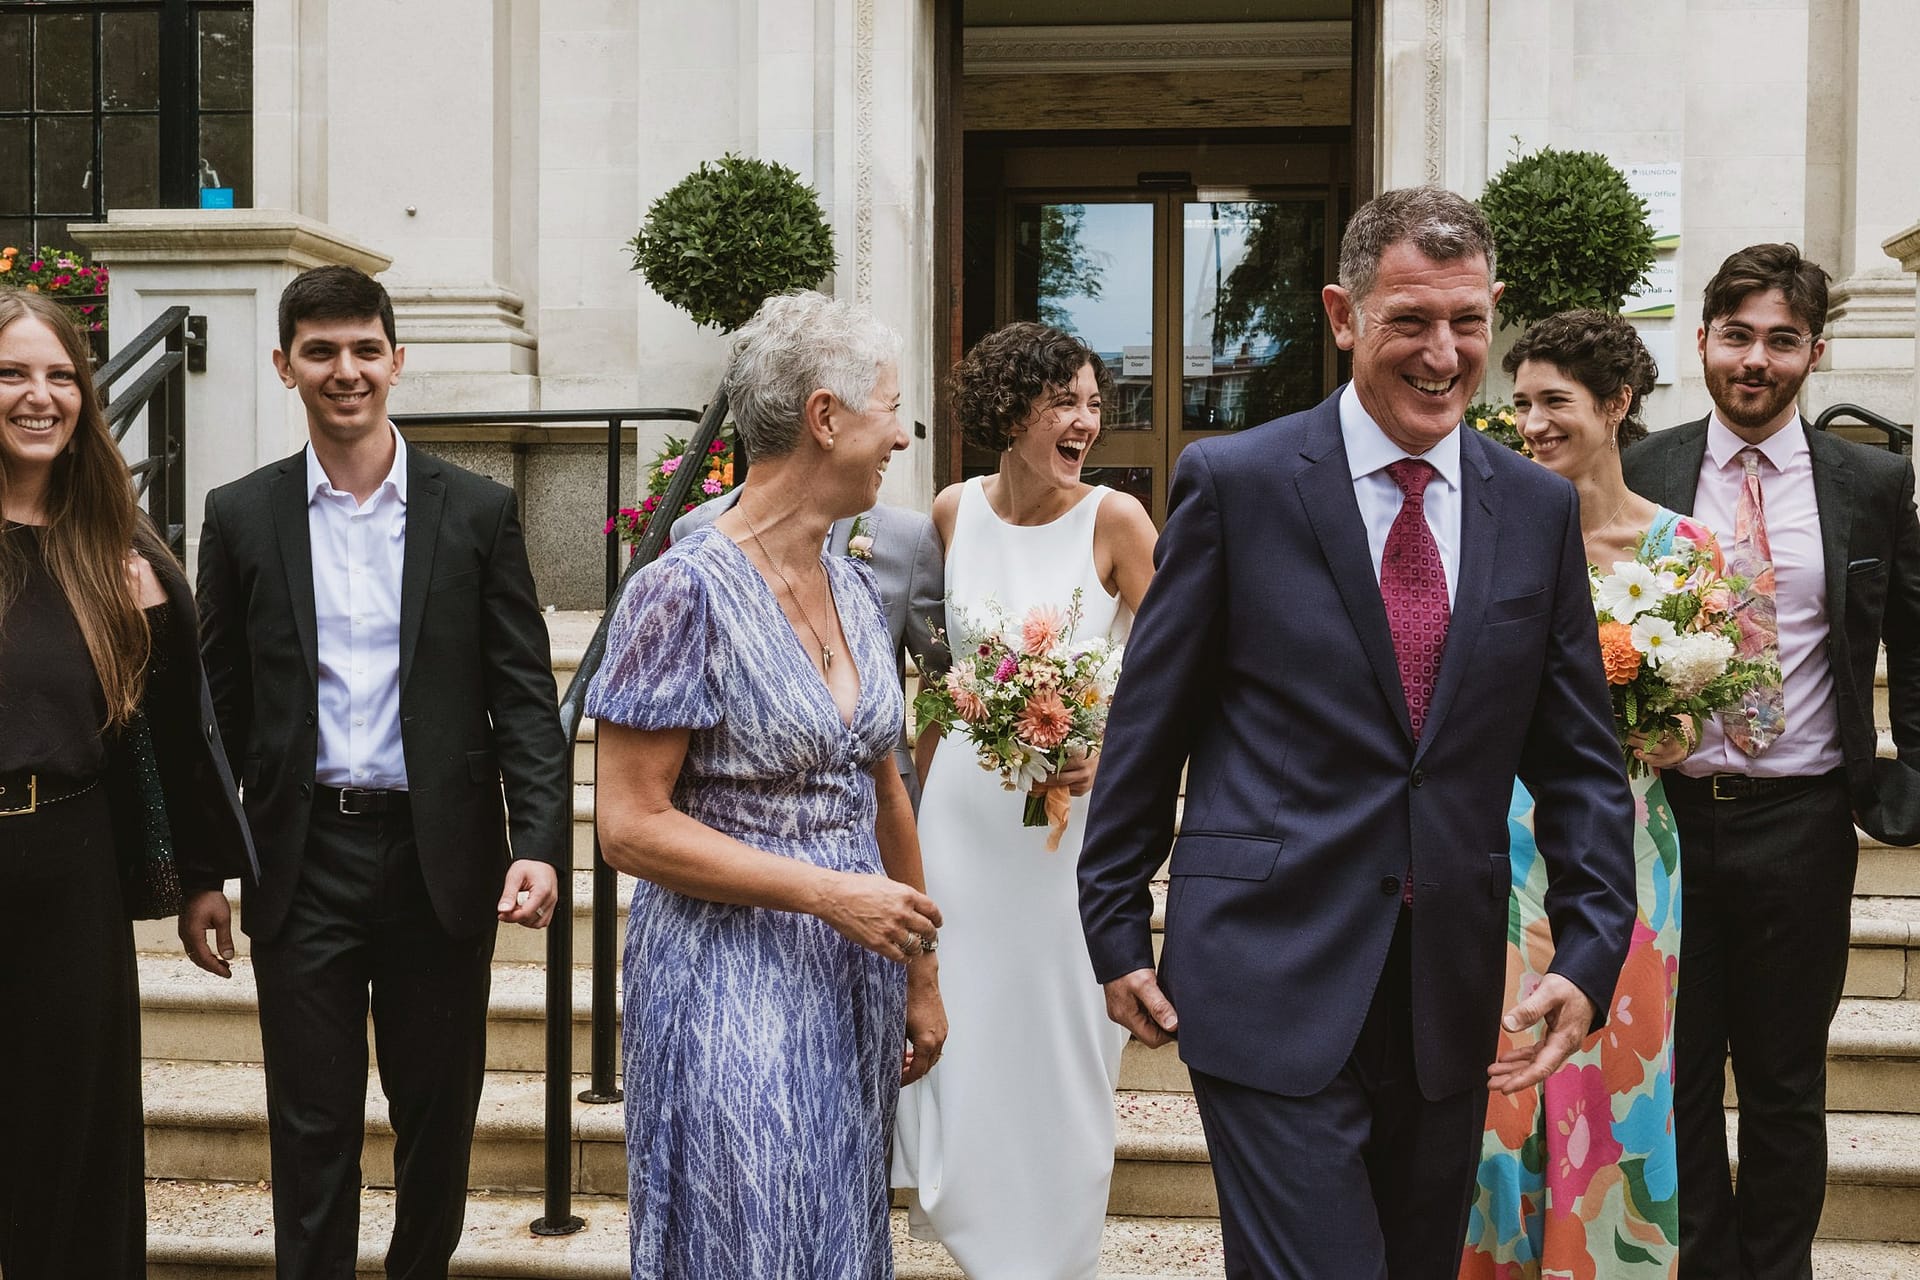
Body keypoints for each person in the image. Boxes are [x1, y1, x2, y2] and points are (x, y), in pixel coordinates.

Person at [1077, 186, 1639, 1279]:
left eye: (1467, 321)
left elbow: (1577, 759)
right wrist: (1111, 921)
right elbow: (1152, 724)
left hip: (1446, 990)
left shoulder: (1532, 509)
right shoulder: (1236, 485)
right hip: (1263, 963)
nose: (1444, 353)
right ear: (1344, 316)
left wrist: (1590, 941)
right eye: (1411, 321)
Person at [188, 265, 569, 1280]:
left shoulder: (477, 512)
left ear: (397, 359)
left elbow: (524, 695)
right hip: (300, 859)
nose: (345, 370)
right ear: (284, 365)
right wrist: (199, 865)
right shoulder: (239, 516)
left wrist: (538, 840)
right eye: (320, 350)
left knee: (437, 1117)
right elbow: (211, 711)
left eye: (364, 348)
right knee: (310, 1126)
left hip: (436, 860)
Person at [588, 290, 946, 1278]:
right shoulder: (681, 590)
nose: (903, 436)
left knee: (836, 1233)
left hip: (853, 979)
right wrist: (828, 891)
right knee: (751, 1236)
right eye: (890, 408)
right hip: (724, 979)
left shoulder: (857, 583)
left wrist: (921, 974)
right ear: (826, 418)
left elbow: (887, 786)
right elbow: (627, 825)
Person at [1621, 244, 1920, 1280]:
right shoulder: (1643, 466)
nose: (1757, 359)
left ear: (1816, 351)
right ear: (1700, 341)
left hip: (1799, 820)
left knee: (1788, 1081)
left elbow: (1910, 642)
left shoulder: (1872, 481)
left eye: (1782, 340)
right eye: (1738, 335)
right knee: (1680, 1075)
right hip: (1663, 820)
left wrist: (1909, 778)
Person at [891, 321, 1158, 1278]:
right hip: (961, 815)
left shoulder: (1117, 521)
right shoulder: (953, 510)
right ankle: (977, 1235)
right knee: (965, 1022)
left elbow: (1175, 670)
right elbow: (933, 672)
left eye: (1093, 402)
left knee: (1061, 1039)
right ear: (1010, 414)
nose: (1085, 420)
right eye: (1063, 403)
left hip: (1064, 831)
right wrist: (906, 808)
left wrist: (1106, 746)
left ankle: (1053, 1255)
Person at [0, 291, 254, 1277]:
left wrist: (200, 875)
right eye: (14, 373)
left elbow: (181, 730)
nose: (39, 395)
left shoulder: (118, 552)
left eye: (60, 375)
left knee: (72, 1137)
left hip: (66, 864)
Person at [1462, 310, 1701, 1279]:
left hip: (1632, 838)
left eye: (1553, 400)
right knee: (1496, 1076)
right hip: (1498, 829)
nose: (1531, 420)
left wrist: (1656, 714)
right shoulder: (1495, 533)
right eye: (1519, 402)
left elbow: (1700, 729)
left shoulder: (1686, 551)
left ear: (1616, 403)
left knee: (1614, 1069)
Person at [673, 486, 949, 808]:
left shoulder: (910, 538)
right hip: (750, 807)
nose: (897, 441)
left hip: (880, 798)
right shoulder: (695, 530)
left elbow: (940, 681)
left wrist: (935, 798)